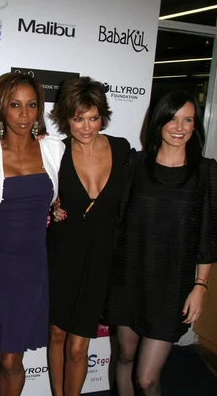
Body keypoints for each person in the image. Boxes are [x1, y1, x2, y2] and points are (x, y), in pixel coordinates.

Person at [107, 91, 217, 396]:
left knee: (147, 379)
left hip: (171, 288)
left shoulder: (205, 171)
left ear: (196, 125)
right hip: (130, 279)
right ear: (158, 120)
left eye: (188, 119)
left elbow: (209, 235)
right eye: (172, 117)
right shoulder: (135, 165)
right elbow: (115, 219)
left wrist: (200, 287)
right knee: (125, 357)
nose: (179, 126)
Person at [0, 72, 65, 396]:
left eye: (32, 105)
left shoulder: (54, 150)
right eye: (15, 105)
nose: (24, 114)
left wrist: (60, 206)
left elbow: (60, 194)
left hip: (31, 265)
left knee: (11, 357)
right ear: (1, 109)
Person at [46, 77, 130, 396]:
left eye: (93, 118)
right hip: (62, 255)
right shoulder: (55, 152)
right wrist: (52, 206)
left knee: (78, 347)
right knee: (56, 334)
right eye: (78, 118)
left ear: (102, 117)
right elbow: (40, 194)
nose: (86, 127)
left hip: (101, 259)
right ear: (66, 118)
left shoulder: (121, 149)